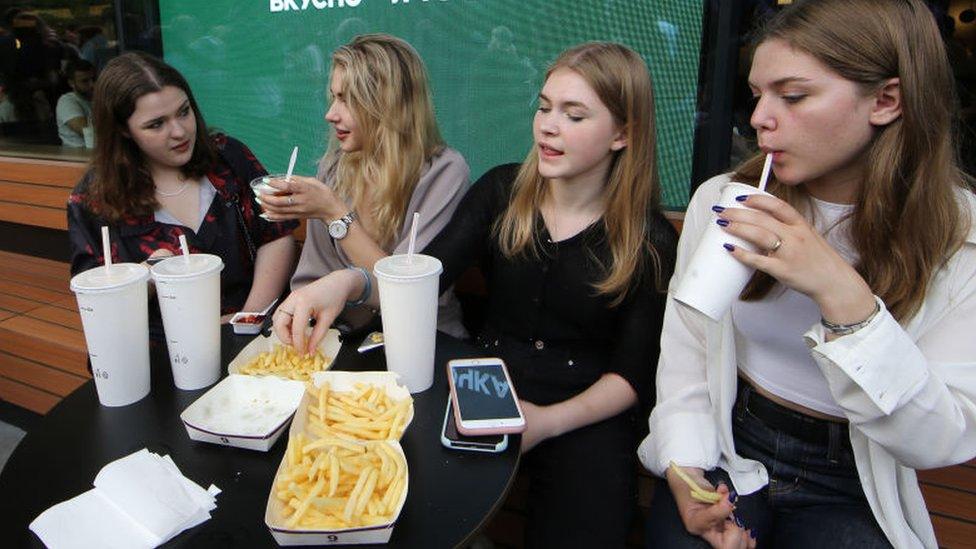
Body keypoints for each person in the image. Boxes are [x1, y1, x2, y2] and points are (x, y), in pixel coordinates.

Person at [275, 42, 678, 547]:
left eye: (574, 115)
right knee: (418, 509)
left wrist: (549, 421)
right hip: (486, 384)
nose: (548, 126)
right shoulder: (502, 190)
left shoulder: (650, 240)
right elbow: (427, 277)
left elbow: (632, 375)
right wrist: (347, 280)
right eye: (545, 107)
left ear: (623, 134)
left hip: (586, 410)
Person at [639, 1, 976, 548]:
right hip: (731, 441)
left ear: (886, 100)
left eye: (792, 96)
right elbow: (688, 353)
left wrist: (842, 294)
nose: (758, 118)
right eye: (758, 95)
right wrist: (683, 467)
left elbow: (939, 439)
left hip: (855, 476)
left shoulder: (960, 240)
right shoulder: (725, 203)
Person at [68, 52, 297, 338]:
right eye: (156, 124)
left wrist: (247, 321)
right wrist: (145, 275)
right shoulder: (94, 199)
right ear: (122, 130)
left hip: (255, 336)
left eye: (184, 111)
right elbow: (95, 306)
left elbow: (274, 234)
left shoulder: (226, 158)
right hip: (162, 353)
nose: (179, 131)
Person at [257, 33, 470, 338]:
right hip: (343, 340)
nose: (330, 114)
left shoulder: (444, 173)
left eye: (348, 99)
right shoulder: (333, 168)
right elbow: (311, 279)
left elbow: (407, 292)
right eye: (334, 97)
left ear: (388, 104)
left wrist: (334, 213)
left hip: (422, 341)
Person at [55, 58, 94, 147]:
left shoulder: (99, 98)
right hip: (76, 154)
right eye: (85, 81)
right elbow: (87, 131)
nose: (92, 85)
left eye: (94, 79)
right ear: (71, 83)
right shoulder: (67, 101)